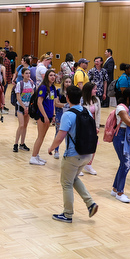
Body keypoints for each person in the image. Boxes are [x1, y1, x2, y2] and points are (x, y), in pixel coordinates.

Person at [47, 85, 99, 223]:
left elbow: (60, 136)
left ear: (67, 98)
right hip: (87, 154)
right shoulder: (87, 112)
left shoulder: (68, 115)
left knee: (66, 183)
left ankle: (67, 214)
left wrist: (51, 148)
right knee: (73, 178)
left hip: (73, 155)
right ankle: (90, 204)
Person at [30, 70, 57, 165]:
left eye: (54, 75)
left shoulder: (53, 88)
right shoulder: (43, 87)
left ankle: (36, 155)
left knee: (43, 136)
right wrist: (45, 116)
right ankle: (33, 157)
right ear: (46, 76)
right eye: (51, 75)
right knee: (40, 137)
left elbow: (53, 102)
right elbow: (39, 102)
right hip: (42, 116)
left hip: (49, 115)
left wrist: (53, 115)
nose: (53, 77)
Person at [80, 81, 100, 175]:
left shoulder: (96, 100)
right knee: (83, 146)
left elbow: (98, 114)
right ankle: (79, 166)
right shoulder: (81, 101)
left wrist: (97, 126)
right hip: (84, 126)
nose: (96, 90)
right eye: (94, 89)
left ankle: (89, 164)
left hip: (93, 127)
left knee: (93, 145)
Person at [13, 68, 35, 153]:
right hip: (21, 107)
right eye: (26, 73)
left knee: (25, 125)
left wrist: (29, 106)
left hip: (28, 107)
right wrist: (24, 107)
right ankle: (15, 144)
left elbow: (32, 96)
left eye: (29, 73)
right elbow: (18, 97)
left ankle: (22, 144)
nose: (28, 75)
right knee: (21, 125)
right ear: (22, 74)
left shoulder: (31, 84)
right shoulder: (19, 84)